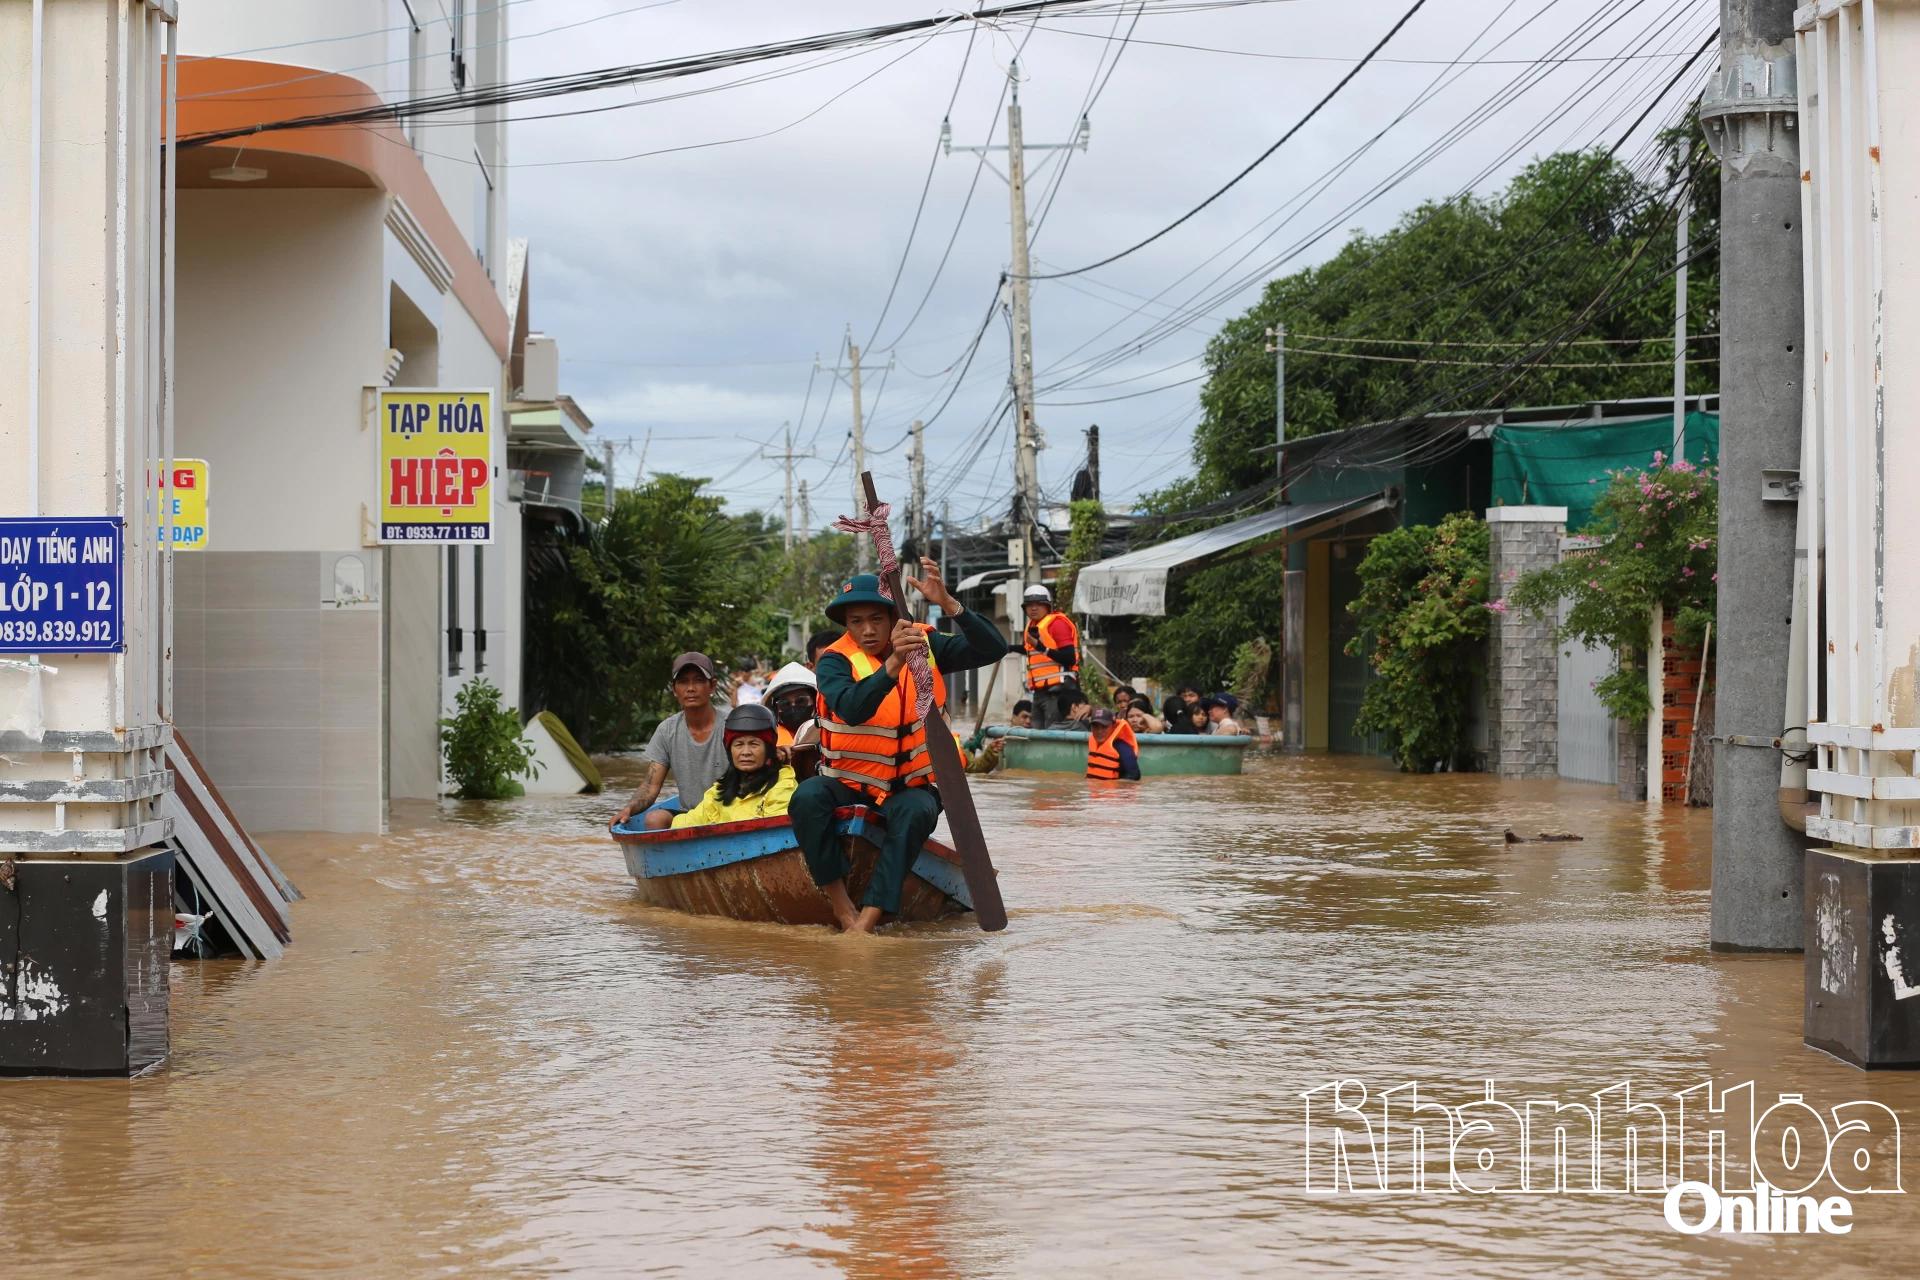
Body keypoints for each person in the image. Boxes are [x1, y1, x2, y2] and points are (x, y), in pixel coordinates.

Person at [789, 561, 1007, 934]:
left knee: (916, 812)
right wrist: (893, 664)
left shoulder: (924, 645)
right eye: (856, 621)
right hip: (849, 782)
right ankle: (844, 910)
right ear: (846, 625)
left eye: (876, 618)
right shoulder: (834, 663)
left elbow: (993, 647)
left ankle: (869, 919)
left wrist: (951, 604)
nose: (868, 630)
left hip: (907, 784)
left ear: (893, 616)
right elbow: (854, 708)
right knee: (806, 799)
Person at [613, 652, 729, 829]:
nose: (690, 688)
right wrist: (628, 808)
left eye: (698, 680)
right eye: (683, 682)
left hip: (729, 812)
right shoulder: (667, 730)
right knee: (654, 819)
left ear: (712, 686)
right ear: (674, 689)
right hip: (689, 815)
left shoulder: (732, 726)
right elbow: (651, 786)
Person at [670, 704, 798, 827]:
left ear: (768, 749)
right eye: (739, 744)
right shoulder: (720, 789)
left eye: (754, 744)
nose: (746, 752)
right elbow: (690, 822)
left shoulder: (782, 784)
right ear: (729, 750)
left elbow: (773, 832)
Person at [1019, 584, 1081, 728]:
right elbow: (1031, 652)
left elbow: (1069, 657)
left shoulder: (1057, 624)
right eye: (1029, 605)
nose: (1033, 608)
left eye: (1039, 604)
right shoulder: (1032, 626)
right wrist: (1008, 648)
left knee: (1052, 731)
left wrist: (1041, 648)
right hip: (1040, 691)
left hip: (1058, 691)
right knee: (1036, 734)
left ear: (1047, 606)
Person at [764, 661, 818, 751]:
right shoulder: (768, 742)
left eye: (801, 701)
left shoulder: (830, 734)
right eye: (785, 704)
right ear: (775, 709)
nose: (793, 707)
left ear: (816, 701)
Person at [1085, 707, 1141, 782]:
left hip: (1112, 792)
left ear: (1113, 726)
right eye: (1095, 726)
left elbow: (1135, 776)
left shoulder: (1123, 748)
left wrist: (1114, 786)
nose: (1099, 731)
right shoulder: (1094, 743)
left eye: (1104, 727)